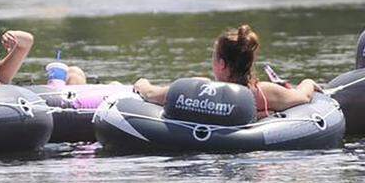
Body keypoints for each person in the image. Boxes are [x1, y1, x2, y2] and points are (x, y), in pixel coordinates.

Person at [133, 24, 318, 117]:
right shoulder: (264, 93)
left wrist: (141, 83)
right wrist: (308, 82)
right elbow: (304, 97)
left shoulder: (198, 89)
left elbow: (150, 94)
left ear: (221, 64)